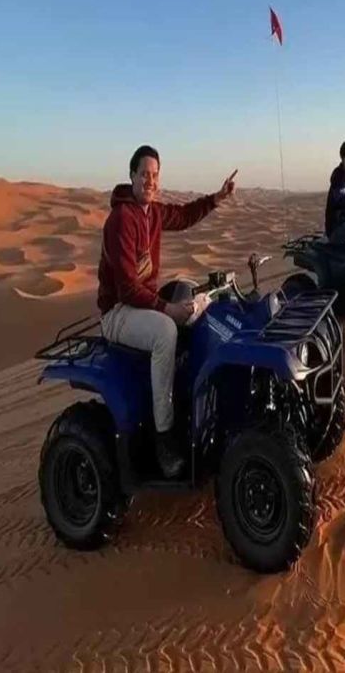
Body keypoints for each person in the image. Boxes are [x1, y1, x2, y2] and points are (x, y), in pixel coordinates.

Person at [96, 144, 237, 478]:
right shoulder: (122, 219)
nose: (150, 181)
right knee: (165, 331)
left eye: (155, 175)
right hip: (118, 311)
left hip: (140, 301)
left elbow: (184, 216)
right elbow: (127, 288)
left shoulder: (152, 213)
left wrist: (217, 198)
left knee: (193, 291)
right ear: (132, 175)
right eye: (144, 174)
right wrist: (167, 309)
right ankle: (165, 436)